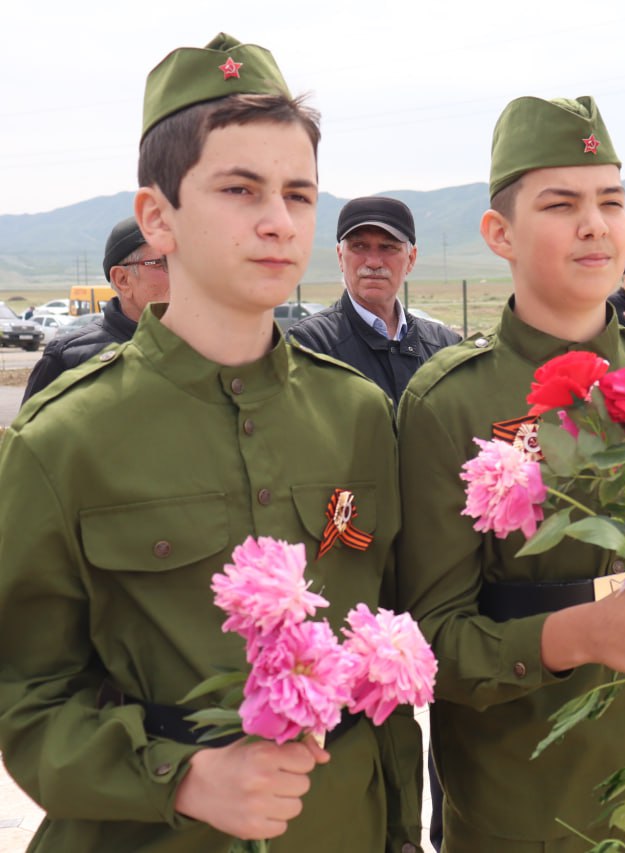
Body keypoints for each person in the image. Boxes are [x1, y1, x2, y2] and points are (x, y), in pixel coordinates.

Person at [0, 34, 415, 851]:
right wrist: (182, 775)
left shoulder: (359, 416)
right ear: (157, 217)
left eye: (299, 195)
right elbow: (25, 694)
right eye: (240, 188)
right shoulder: (64, 441)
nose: (277, 221)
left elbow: (383, 647)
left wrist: (401, 828)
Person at [396, 95, 625, 851]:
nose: (595, 224)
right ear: (500, 234)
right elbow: (430, 641)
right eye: (561, 204)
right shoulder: (450, 402)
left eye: (610, 202)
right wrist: (576, 633)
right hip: (525, 793)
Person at [287, 196, 460, 405]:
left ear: (411, 259)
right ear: (340, 257)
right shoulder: (310, 346)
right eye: (359, 246)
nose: (374, 262)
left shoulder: (446, 347)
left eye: (388, 247)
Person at [23, 217, 171, 401]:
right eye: (163, 263)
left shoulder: (204, 350)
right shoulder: (67, 360)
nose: (181, 273)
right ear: (122, 280)